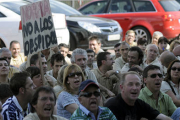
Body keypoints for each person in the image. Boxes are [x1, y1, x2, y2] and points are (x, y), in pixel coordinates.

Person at [104, 71, 172, 120]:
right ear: (122, 87)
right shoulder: (112, 106)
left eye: (137, 84)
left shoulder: (139, 103)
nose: (134, 88)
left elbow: (159, 116)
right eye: (130, 84)